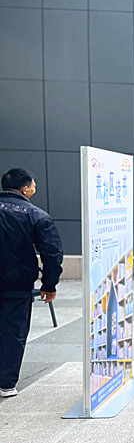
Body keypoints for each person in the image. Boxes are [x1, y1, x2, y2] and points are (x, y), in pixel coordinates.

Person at [0, 168, 63, 398]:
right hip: (17, 284)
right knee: (13, 332)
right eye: (34, 185)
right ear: (25, 189)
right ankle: (6, 383)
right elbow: (52, 254)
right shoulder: (36, 215)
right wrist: (49, 284)